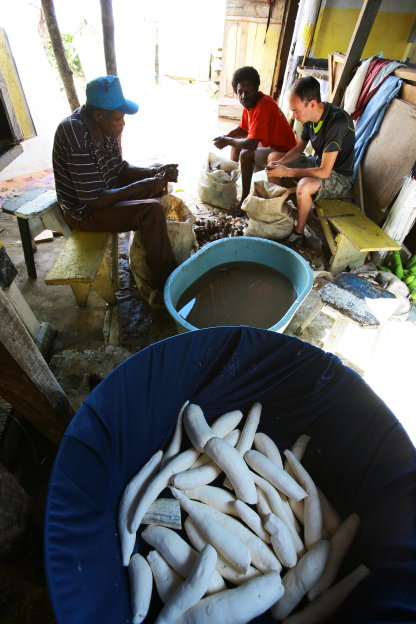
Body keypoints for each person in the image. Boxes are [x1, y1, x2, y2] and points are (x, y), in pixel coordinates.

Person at [52, 74, 178, 299]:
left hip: (101, 196)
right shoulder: (74, 133)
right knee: (151, 211)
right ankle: (167, 283)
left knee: (156, 172)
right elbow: (96, 200)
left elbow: (118, 169)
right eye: (118, 118)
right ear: (99, 115)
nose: (123, 123)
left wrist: (153, 174)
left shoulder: (104, 128)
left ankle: (154, 252)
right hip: (84, 212)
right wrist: (142, 186)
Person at [266, 75, 355, 244]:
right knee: (274, 157)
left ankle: (298, 233)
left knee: (304, 185)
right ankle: (277, 215)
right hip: (318, 162)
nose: (293, 116)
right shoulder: (309, 118)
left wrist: (288, 172)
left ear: (312, 104)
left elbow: (324, 171)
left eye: (296, 111)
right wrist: (281, 163)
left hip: (339, 176)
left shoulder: (337, 122)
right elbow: (299, 149)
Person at [213, 66, 296, 216]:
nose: (243, 95)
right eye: (240, 92)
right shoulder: (249, 104)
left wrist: (227, 140)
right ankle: (233, 185)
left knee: (245, 153)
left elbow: (251, 143)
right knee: (235, 146)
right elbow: (242, 129)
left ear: (256, 88)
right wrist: (225, 137)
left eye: (248, 90)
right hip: (272, 147)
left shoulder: (263, 104)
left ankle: (244, 201)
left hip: (286, 153)